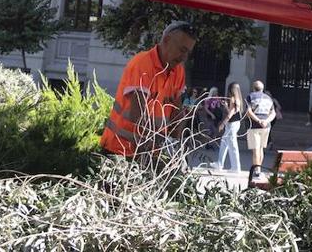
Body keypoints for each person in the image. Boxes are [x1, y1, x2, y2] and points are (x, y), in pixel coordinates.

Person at [100, 20, 196, 158]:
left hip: (148, 153)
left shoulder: (178, 71)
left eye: (188, 52)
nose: (184, 57)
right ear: (167, 40)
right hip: (119, 150)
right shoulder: (142, 64)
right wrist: (166, 144)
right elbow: (137, 116)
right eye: (182, 50)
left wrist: (176, 145)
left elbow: (177, 114)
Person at [245, 80, 277, 183]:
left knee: (255, 150)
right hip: (266, 126)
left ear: (253, 88)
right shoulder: (268, 98)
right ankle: (259, 169)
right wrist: (266, 121)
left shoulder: (250, 97)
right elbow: (273, 113)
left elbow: (248, 111)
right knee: (261, 149)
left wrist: (258, 120)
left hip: (254, 125)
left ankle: (257, 171)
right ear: (262, 88)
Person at [217, 82, 245, 173]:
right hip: (235, 123)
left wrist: (222, 124)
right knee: (224, 143)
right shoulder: (238, 99)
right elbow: (232, 111)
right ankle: (219, 163)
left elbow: (230, 114)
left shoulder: (233, 99)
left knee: (232, 146)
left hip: (231, 124)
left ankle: (235, 167)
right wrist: (226, 106)